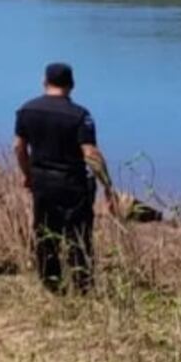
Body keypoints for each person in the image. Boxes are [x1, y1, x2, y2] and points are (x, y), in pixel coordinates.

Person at [13, 63, 115, 294]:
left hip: (42, 182)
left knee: (45, 234)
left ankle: (51, 285)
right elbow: (90, 153)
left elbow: (18, 147)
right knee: (78, 236)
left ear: (44, 81)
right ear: (72, 84)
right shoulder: (80, 115)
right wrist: (108, 186)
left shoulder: (27, 110)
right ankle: (82, 287)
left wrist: (27, 174)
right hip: (72, 183)